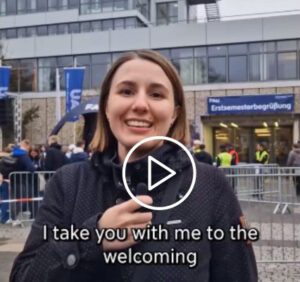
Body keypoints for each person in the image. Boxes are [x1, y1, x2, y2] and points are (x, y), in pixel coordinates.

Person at [10, 50, 257, 281]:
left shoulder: (209, 185)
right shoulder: (68, 183)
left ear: (174, 113)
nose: (140, 104)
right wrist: (91, 239)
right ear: (106, 106)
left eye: (156, 94)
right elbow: (23, 274)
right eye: (127, 91)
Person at [10, 139, 36, 221]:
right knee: (22, 199)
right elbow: (31, 168)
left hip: (13, 179)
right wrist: (34, 167)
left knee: (15, 199)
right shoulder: (23, 155)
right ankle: (17, 218)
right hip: (22, 180)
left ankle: (13, 217)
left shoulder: (13, 153)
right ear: (26, 146)